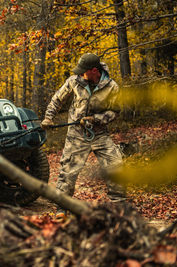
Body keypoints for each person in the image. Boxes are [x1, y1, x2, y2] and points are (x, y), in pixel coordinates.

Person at [41, 53, 125, 219]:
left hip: (100, 134)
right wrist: (48, 117)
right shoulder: (74, 81)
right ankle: (62, 208)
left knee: (115, 164)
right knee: (68, 171)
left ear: (94, 70)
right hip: (77, 135)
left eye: (83, 71)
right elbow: (57, 100)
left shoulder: (112, 86)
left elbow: (115, 111)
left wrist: (96, 119)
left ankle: (119, 206)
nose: (80, 73)